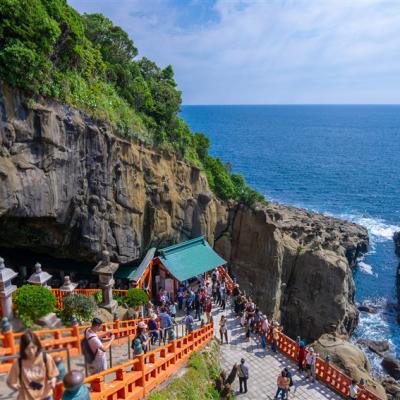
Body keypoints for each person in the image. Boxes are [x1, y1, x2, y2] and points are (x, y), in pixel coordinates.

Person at [7, 330, 59, 400]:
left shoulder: (45, 358)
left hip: (45, 396)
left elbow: (53, 375)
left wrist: (53, 381)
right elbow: (11, 382)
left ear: (38, 346)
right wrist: (17, 387)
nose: (31, 351)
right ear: (23, 349)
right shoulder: (18, 363)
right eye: (27, 348)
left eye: (33, 347)